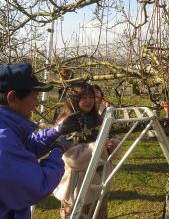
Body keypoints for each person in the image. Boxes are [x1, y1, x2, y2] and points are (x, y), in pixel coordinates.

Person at [0, 63, 81, 219]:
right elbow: (39, 184)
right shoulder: (3, 144)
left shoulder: (7, 131)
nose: (37, 104)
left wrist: (56, 131)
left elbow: (24, 147)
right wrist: (58, 150)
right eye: (34, 97)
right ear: (12, 98)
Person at [53, 82, 119, 219]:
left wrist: (113, 145)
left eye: (91, 97)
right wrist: (98, 147)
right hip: (76, 189)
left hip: (99, 185)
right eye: (83, 97)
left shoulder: (99, 119)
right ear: (73, 100)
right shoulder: (65, 123)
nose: (88, 101)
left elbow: (111, 138)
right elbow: (71, 158)